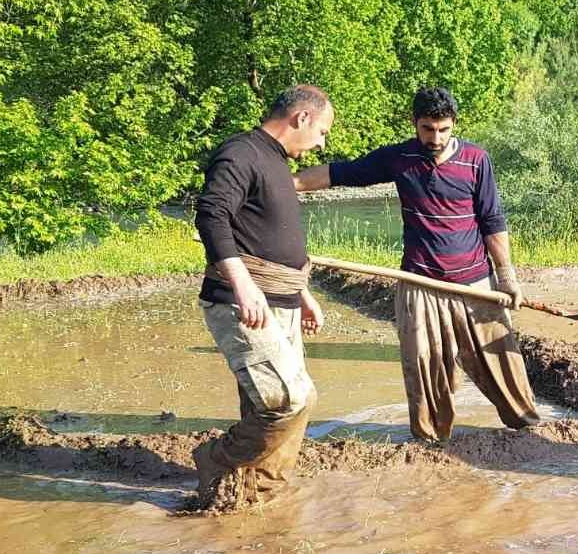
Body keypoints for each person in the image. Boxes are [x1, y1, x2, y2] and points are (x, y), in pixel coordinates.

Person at [294, 87, 541, 442]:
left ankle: (531, 434)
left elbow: (492, 221)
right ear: (415, 124)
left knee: (501, 361)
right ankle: (430, 443)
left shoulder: (476, 160)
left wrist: (507, 278)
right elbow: (338, 174)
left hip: (473, 286)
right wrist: (286, 185)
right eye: (427, 129)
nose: (435, 138)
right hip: (419, 285)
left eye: (443, 129)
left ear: (454, 124)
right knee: (425, 369)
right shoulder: (400, 158)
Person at [190, 84, 333, 508]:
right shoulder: (241, 153)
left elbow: (270, 237)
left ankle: (258, 493)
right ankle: (215, 460)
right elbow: (211, 213)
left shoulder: (275, 163)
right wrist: (242, 283)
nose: (322, 142)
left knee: (273, 406)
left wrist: (303, 293)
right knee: (289, 400)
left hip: (282, 299)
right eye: (322, 131)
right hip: (246, 302)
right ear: (301, 118)